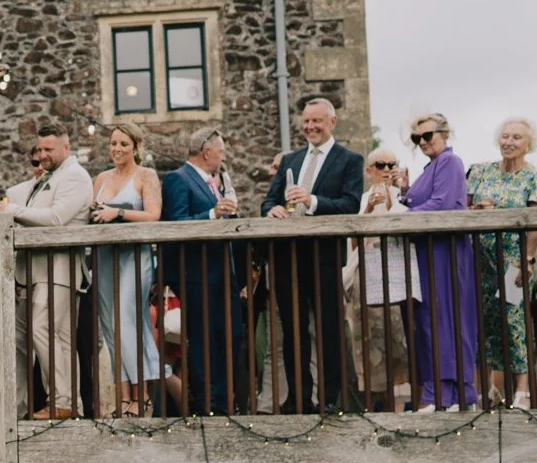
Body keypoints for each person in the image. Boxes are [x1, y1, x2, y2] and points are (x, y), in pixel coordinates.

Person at [260, 97, 365, 412]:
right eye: (306, 122)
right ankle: (299, 397)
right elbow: (267, 201)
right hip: (287, 257)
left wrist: (314, 200)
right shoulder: (290, 160)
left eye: (317, 121)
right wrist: (273, 209)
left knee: (328, 328)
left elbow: (350, 204)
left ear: (332, 122)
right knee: (292, 332)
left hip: (325, 255)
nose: (310, 127)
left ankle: (331, 399)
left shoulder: (349, 160)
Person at [465, 116, 537, 409]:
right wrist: (478, 209)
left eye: (516, 138)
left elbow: (535, 224)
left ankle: (522, 390)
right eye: (505, 136)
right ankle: (488, 391)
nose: (509, 142)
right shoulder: (481, 172)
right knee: (483, 323)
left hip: (513, 262)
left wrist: (527, 260)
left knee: (513, 320)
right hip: (479, 261)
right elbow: (464, 207)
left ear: (528, 145)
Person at [4, 127, 92, 419]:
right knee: (49, 336)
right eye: (39, 150)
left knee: (44, 329)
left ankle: (62, 400)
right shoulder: (51, 177)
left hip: (60, 265)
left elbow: (55, 218)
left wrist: (10, 210)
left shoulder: (75, 176)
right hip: (36, 268)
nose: (42, 155)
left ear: (66, 148)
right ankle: (62, 402)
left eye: (48, 150)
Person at [159, 126, 244, 415]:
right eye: (221, 152)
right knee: (204, 341)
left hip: (222, 276)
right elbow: (175, 224)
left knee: (227, 337)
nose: (223, 157)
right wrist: (212, 213)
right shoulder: (177, 179)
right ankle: (206, 404)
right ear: (207, 152)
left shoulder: (215, 182)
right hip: (196, 276)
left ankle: (223, 401)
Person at [401, 112, 479, 412]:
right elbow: (423, 202)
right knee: (431, 319)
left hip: (445, 249)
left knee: (446, 317)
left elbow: (442, 204)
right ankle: (451, 393)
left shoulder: (450, 162)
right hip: (427, 250)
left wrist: (400, 215)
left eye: (427, 136)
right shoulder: (430, 168)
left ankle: (445, 394)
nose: (422, 142)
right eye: (416, 138)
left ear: (444, 134)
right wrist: (406, 193)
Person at [89, 124, 163, 418]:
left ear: (136, 146)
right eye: (112, 144)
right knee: (110, 324)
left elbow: (154, 216)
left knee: (127, 318)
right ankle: (122, 398)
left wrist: (118, 212)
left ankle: (142, 396)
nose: (116, 149)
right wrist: (96, 212)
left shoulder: (146, 176)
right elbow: (90, 214)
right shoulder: (101, 178)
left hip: (134, 255)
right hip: (105, 256)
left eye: (123, 144)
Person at [343, 146, 417, 412]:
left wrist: (398, 196)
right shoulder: (361, 199)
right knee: (371, 338)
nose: (386, 170)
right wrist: (367, 214)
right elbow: (352, 243)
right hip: (368, 272)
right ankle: (376, 402)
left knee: (401, 335)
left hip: (399, 273)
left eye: (391, 164)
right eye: (381, 165)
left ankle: (406, 402)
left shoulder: (406, 196)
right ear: (369, 170)